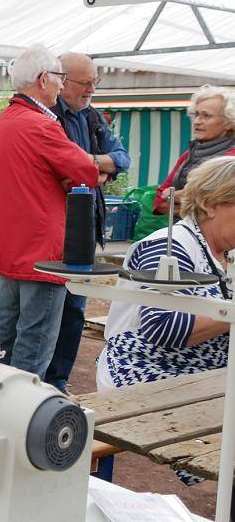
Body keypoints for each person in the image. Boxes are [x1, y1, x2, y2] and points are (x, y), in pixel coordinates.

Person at [0, 44, 98, 379]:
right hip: (43, 252)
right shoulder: (42, 125)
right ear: (43, 79)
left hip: (11, 248)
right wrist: (85, 171)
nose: (62, 85)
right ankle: (18, 420)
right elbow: (87, 171)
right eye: (60, 78)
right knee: (33, 349)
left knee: (2, 337)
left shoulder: (3, 121)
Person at [97, 156, 233, 391]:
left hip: (204, 376)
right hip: (148, 375)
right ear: (211, 205)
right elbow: (162, 327)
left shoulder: (226, 253)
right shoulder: (169, 246)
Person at [44, 52, 131, 394]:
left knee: (75, 309)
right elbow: (64, 177)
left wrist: (89, 165)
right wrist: (96, 172)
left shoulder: (92, 117)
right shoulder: (48, 117)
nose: (92, 89)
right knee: (48, 306)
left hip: (87, 226)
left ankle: (59, 380)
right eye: (86, 83)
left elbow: (121, 158)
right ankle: (37, 380)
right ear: (62, 81)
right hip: (57, 224)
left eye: (96, 82)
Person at [153, 85, 235, 216]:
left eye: (206, 116)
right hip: (182, 231)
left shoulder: (231, 158)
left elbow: (216, 206)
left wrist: (173, 196)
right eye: (196, 115)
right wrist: (190, 202)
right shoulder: (189, 154)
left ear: (229, 122)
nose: (197, 122)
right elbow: (158, 202)